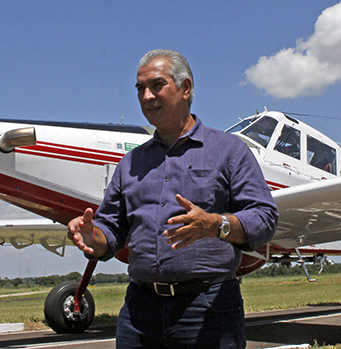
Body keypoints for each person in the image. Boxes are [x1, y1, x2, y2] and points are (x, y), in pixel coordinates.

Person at [68, 49, 278, 348]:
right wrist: (93, 236)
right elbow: (111, 230)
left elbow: (264, 218)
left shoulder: (230, 150)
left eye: (157, 85)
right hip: (139, 311)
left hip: (208, 307)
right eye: (140, 89)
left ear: (186, 88)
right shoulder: (130, 163)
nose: (147, 96)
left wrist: (216, 225)